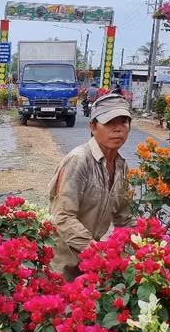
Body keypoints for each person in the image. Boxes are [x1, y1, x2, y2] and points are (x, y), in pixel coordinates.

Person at [48, 94, 135, 280]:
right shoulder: (79, 160)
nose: (118, 129)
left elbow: (125, 219)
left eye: (123, 122)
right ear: (93, 126)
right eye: (110, 123)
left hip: (90, 265)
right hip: (61, 266)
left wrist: (145, 246)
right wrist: (95, 251)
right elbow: (62, 217)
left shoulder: (122, 166)